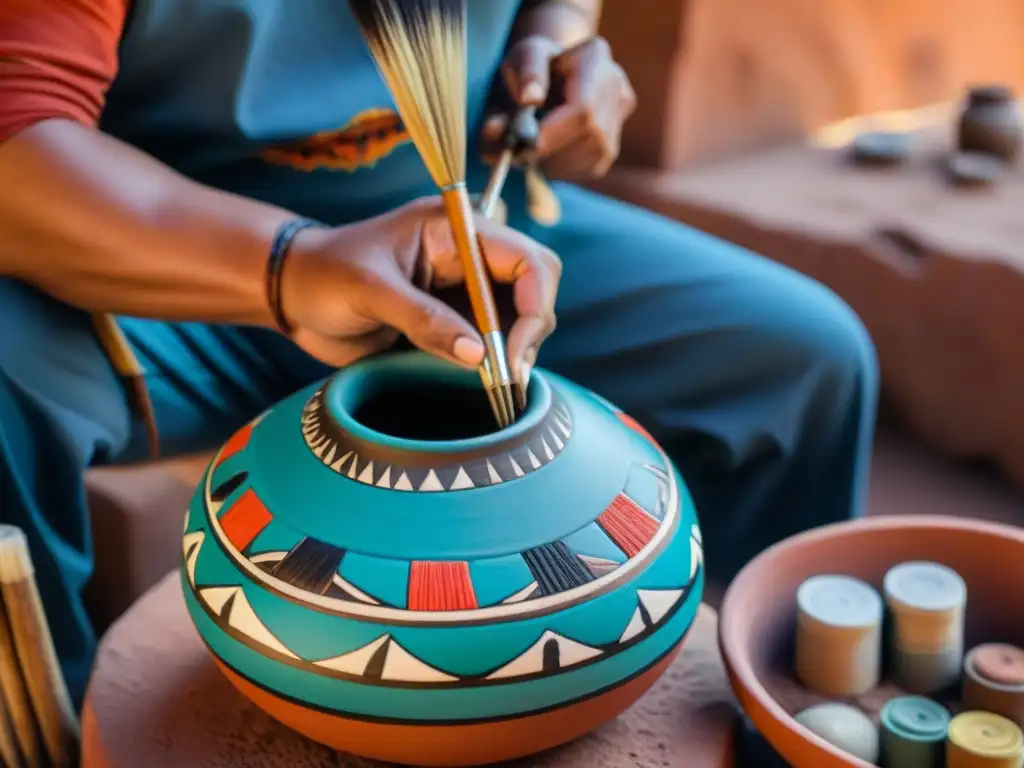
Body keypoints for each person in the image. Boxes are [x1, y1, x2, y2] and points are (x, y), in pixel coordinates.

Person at [0, 0, 878, 709]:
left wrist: (560, 39)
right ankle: (57, 730)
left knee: (805, 363)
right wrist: (291, 267)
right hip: (166, 257)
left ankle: (748, 714)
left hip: (453, 229)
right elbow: (18, 145)